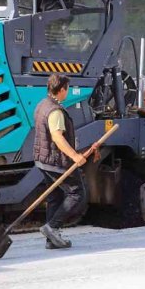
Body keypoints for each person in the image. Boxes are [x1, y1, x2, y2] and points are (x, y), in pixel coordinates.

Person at [33, 74, 99, 249]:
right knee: (77, 193)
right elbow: (57, 137)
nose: (67, 92)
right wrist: (75, 156)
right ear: (62, 89)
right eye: (67, 89)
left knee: (55, 197)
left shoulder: (42, 105)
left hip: (43, 159)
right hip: (56, 162)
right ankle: (52, 227)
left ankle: (51, 240)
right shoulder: (55, 111)